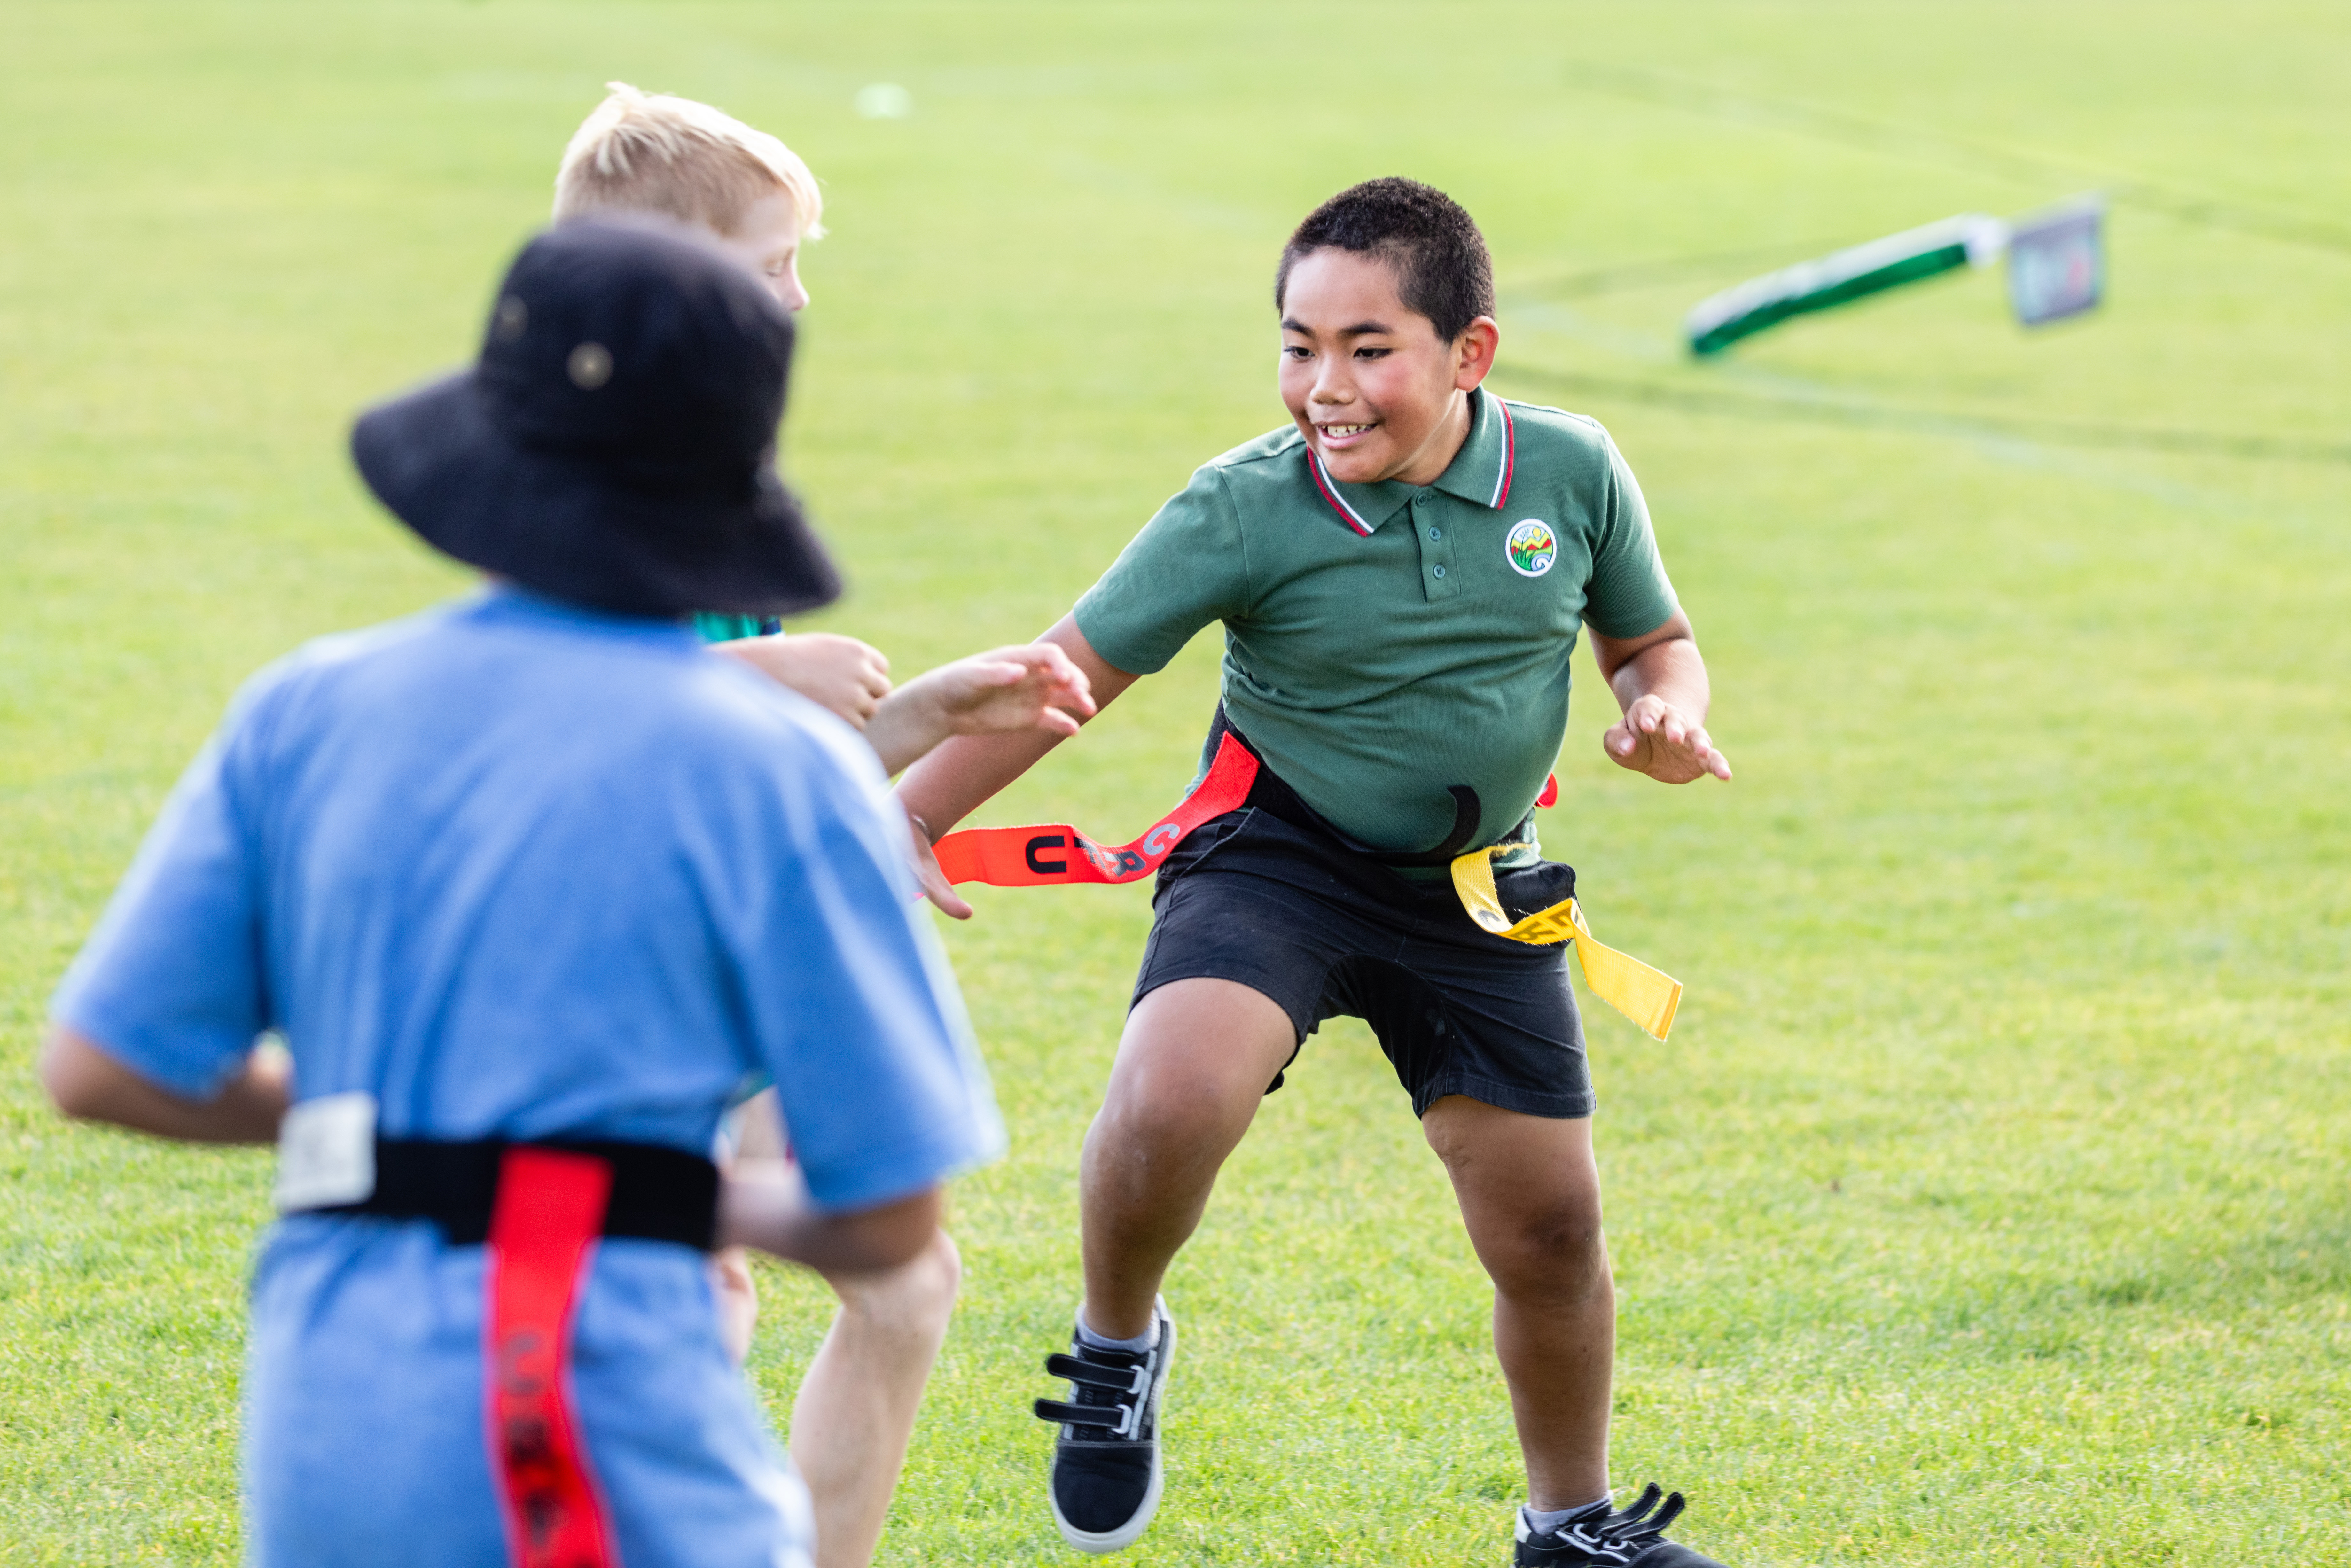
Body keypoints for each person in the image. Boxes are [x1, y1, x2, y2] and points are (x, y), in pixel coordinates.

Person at [42, 219, 1003, 1568]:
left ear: (485, 451)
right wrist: (637, 1189)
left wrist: (364, 1135)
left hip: (335, 1446)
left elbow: (100, 1065)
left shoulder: (306, 711)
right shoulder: (786, 774)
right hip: (607, 1456)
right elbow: (890, 1212)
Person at [898, 178, 1735, 1566]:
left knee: (1551, 1228)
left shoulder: (1573, 471)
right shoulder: (1244, 508)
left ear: (1471, 353)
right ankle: (1117, 1349)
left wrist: (1669, 709)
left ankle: (1569, 1525)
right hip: (1276, 856)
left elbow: (1654, 640)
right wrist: (907, 822)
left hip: (1478, 884)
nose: (1324, 388)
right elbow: (1061, 685)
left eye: (1367, 349)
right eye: (1299, 346)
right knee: (1173, 1096)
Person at [546, 82, 1085, 1568]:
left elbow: (747, 749)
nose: (800, 297)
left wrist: (915, 721)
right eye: (774, 265)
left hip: (735, 955)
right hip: (611, 970)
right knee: (685, 1306)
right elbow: (534, 699)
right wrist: (753, 668)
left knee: (904, 1285)